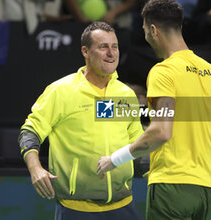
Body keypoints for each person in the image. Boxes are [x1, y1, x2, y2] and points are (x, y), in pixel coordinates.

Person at [97, 0, 211, 220]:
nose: (146, 37)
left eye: (146, 30)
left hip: (171, 187)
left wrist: (114, 159)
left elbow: (161, 132)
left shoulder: (163, 72)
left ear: (154, 30)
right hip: (206, 191)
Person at [18, 21, 144, 220]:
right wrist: (35, 168)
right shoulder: (61, 91)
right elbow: (30, 131)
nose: (111, 53)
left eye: (115, 46)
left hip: (124, 206)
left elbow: (139, 143)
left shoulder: (125, 94)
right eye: (103, 47)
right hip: (76, 209)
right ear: (85, 51)